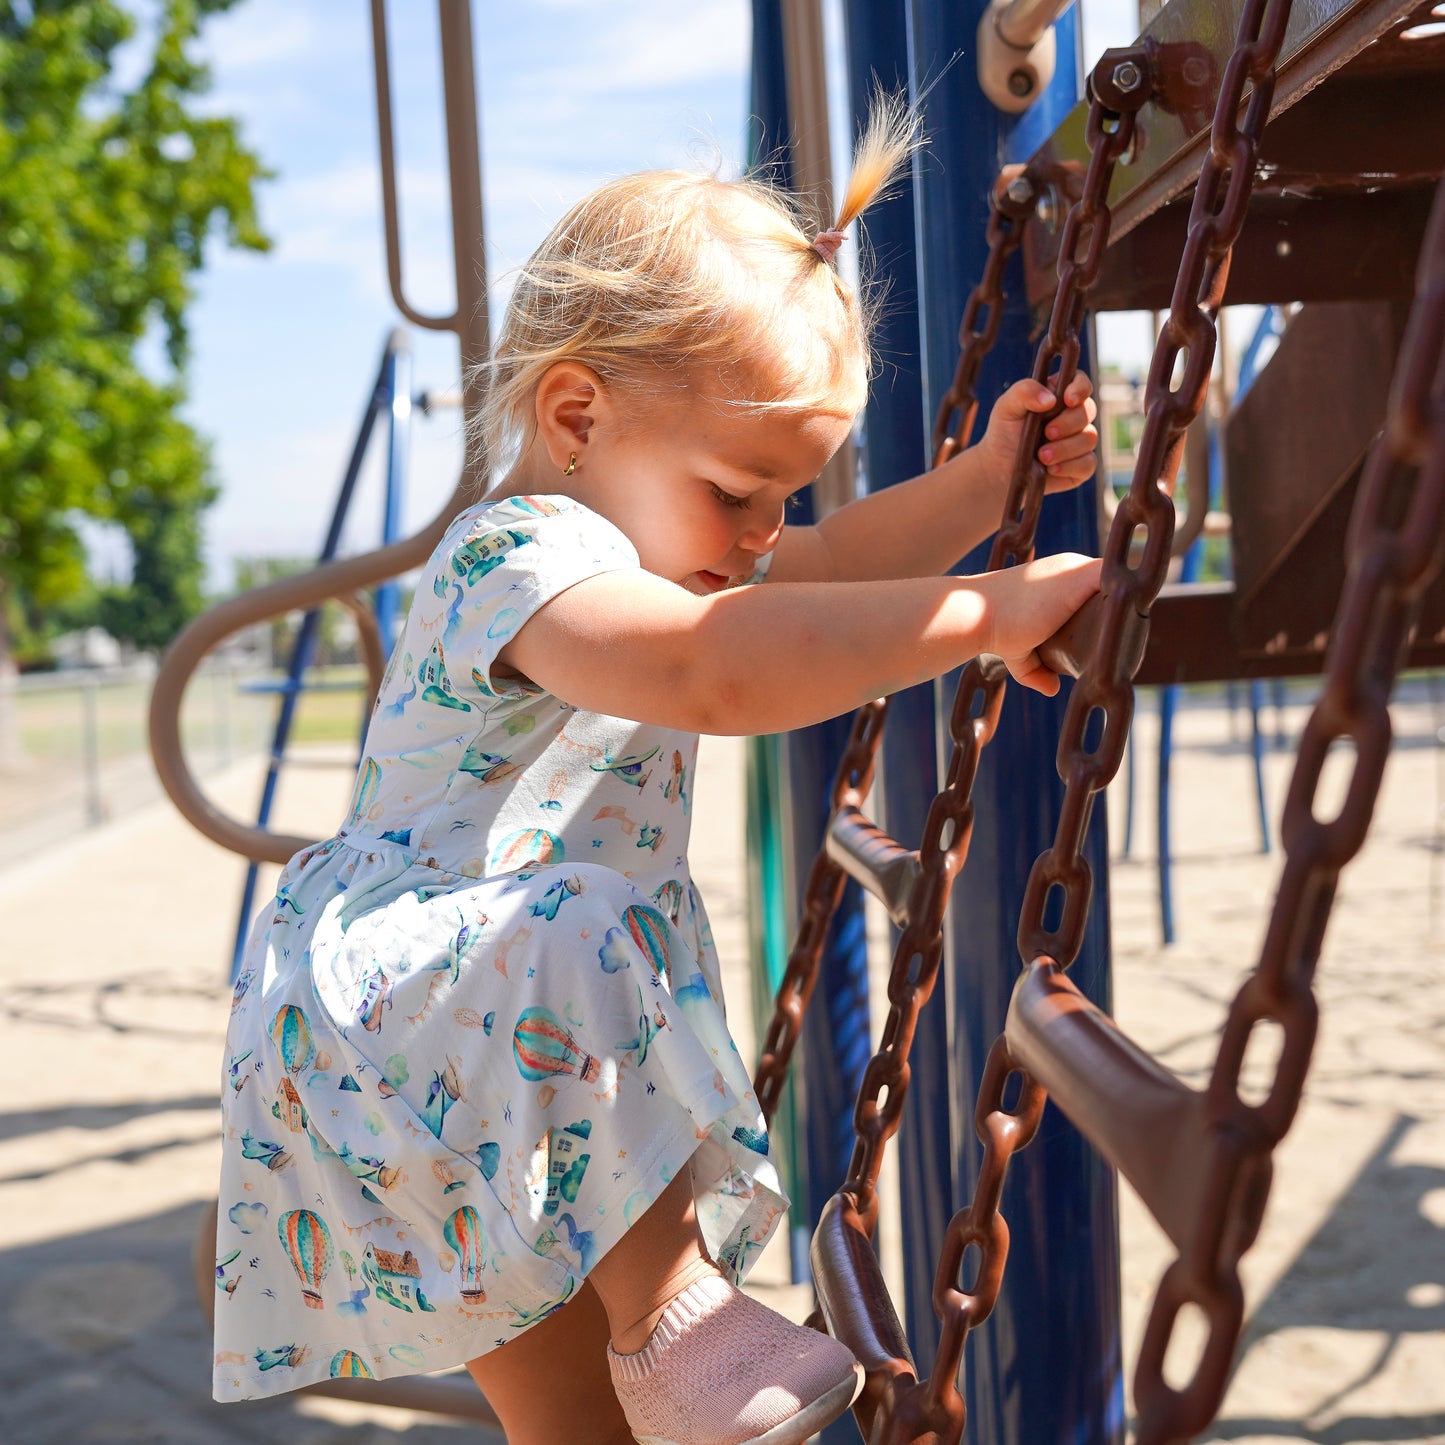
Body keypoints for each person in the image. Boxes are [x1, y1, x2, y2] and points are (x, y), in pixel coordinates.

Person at [212, 98, 1101, 1445]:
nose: (762, 535)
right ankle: (677, 1313)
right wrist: (990, 613)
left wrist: (985, 487)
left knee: (573, 1423)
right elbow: (716, 673)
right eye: (738, 491)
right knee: (577, 923)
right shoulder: (518, 557)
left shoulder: (663, 540)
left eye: (781, 496)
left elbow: (846, 560)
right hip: (425, 1018)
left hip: (508, 1055)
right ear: (575, 414)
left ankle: (660, 1351)